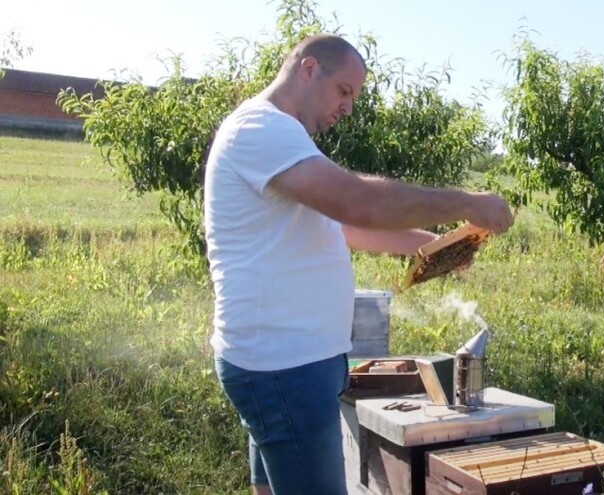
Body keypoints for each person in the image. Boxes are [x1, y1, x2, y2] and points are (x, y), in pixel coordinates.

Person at [203, 33, 514, 495]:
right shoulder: (261, 129)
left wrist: (439, 246)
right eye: (343, 91)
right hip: (284, 368)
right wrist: (467, 203)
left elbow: (344, 226)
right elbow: (356, 202)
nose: (347, 108)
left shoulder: (282, 139)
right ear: (309, 69)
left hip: (287, 363)